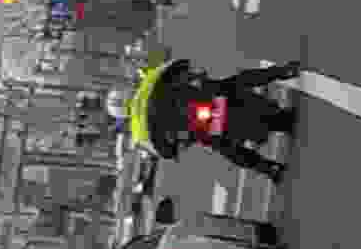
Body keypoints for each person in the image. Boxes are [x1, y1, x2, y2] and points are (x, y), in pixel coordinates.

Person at [124, 49, 304, 181]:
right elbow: (176, 69)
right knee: (236, 82)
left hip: (199, 119)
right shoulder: (147, 86)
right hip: (201, 100)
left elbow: (166, 149)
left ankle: (269, 168)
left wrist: (179, 143)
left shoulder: (139, 127)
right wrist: (194, 77)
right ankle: (281, 72)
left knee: (225, 147)